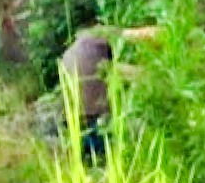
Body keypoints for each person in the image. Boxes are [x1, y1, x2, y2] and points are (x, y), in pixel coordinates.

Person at [57, 20, 155, 167]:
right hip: (98, 120)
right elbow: (143, 35)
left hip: (72, 123)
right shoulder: (98, 34)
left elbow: (112, 69)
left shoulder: (74, 53)